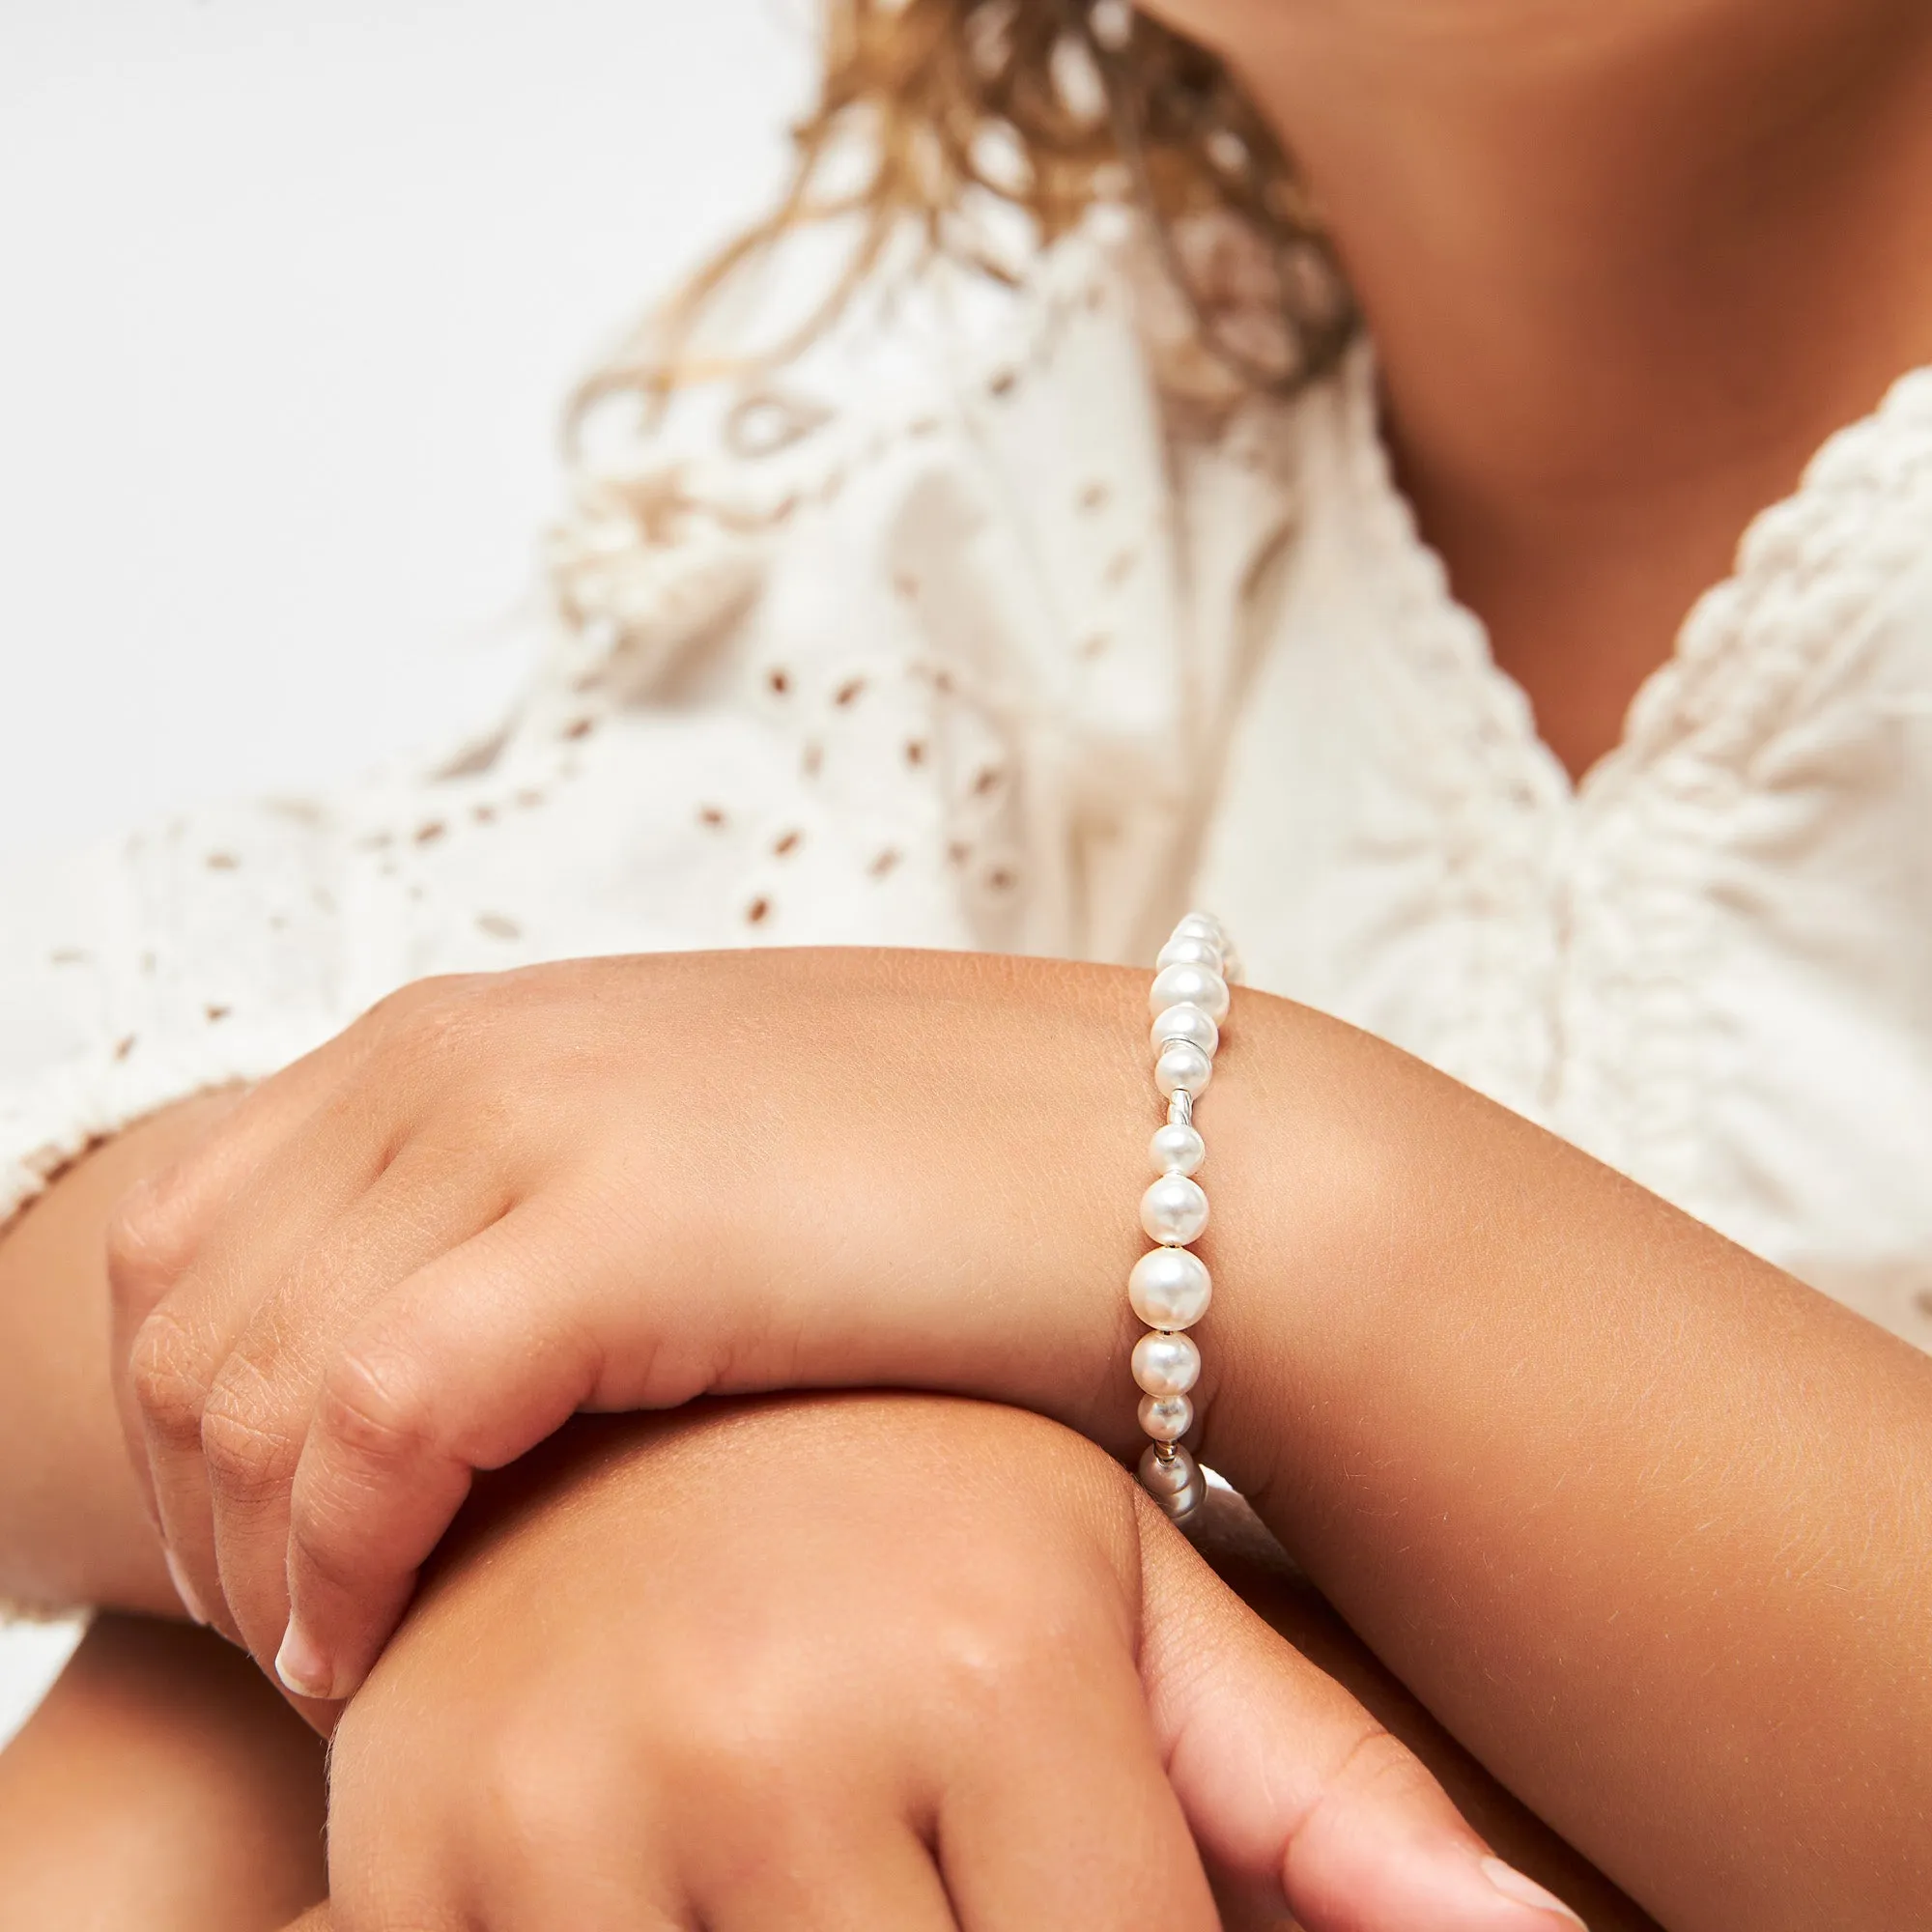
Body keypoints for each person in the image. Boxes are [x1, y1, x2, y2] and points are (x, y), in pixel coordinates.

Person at [4, 0, 1931, 1925]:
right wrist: (672, 1479)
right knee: (257, 1696)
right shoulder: (1065, 506)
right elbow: (102, 1172)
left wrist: (1250, 1201)